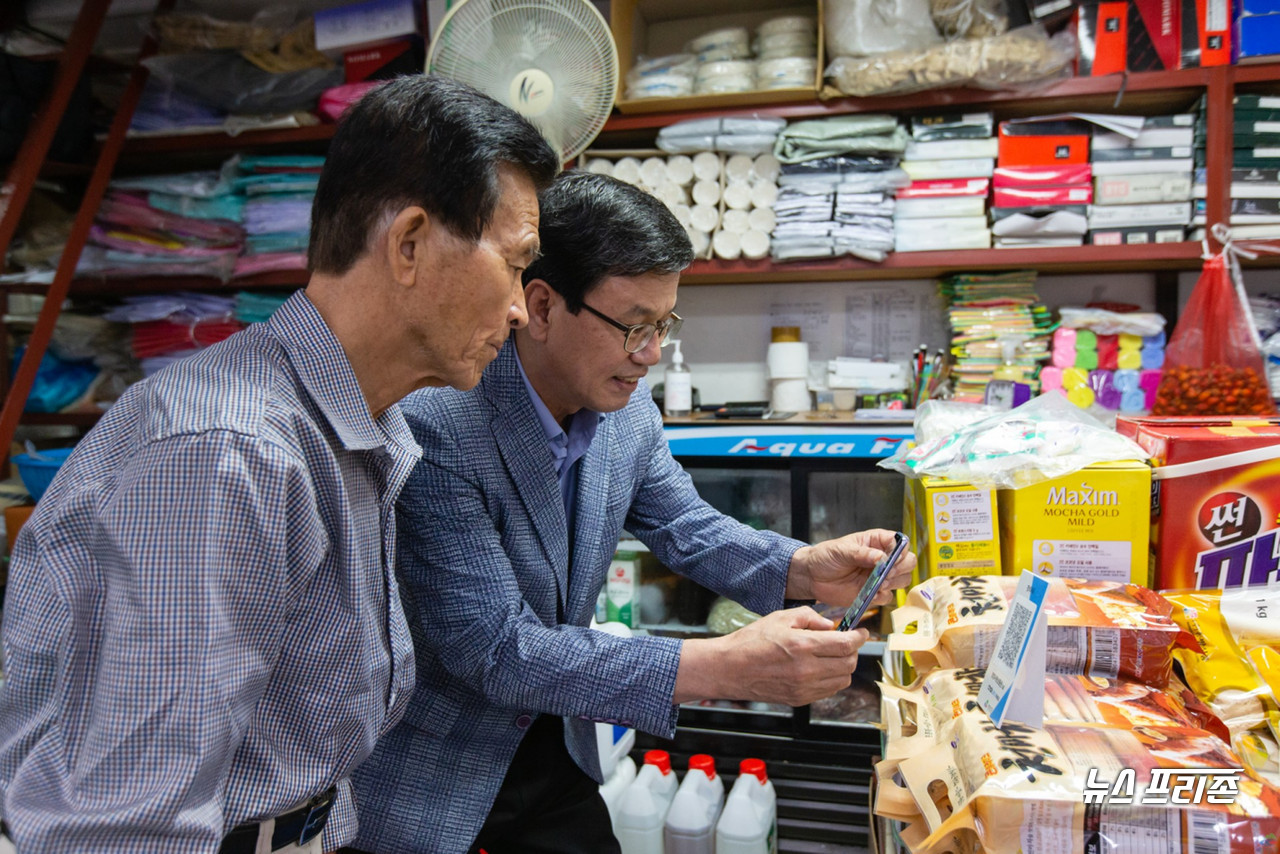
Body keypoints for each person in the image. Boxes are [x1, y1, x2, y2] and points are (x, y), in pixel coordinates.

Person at [0, 75, 559, 854]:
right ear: (408, 244)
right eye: (515, 263)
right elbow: (129, 828)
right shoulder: (230, 456)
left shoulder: (355, 424)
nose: (517, 309)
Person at [347, 171, 917, 854]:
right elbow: (495, 649)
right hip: (443, 782)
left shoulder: (627, 410)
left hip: (560, 743)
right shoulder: (437, 426)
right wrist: (721, 666)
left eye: (664, 325)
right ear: (543, 305)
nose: (650, 354)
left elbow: (685, 526)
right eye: (633, 327)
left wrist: (802, 567)